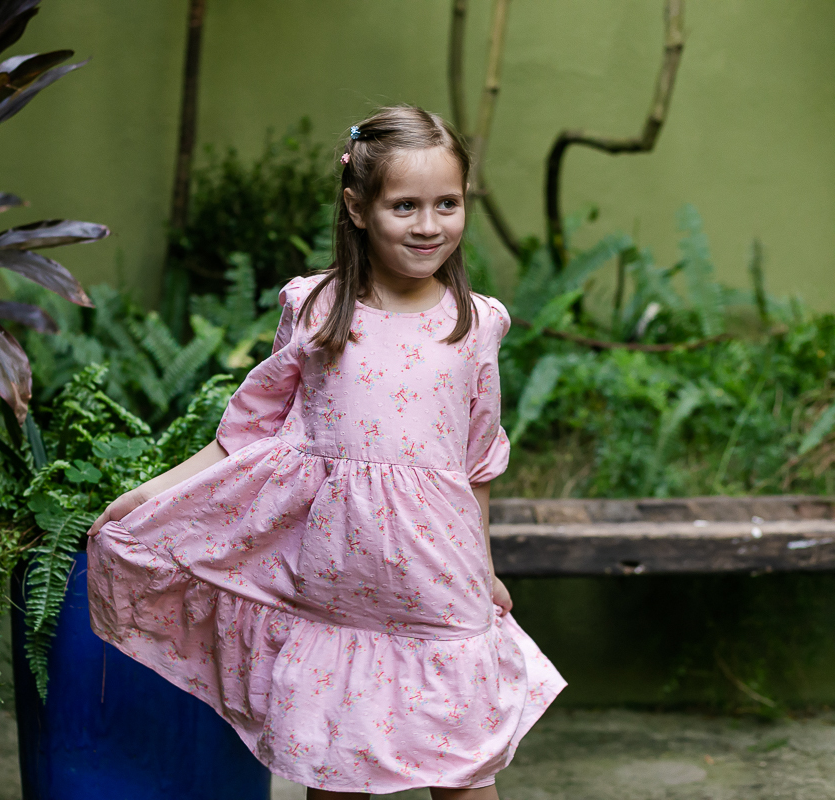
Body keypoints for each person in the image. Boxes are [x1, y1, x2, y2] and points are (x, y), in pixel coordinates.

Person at [87, 105, 565, 799]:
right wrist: (151, 493)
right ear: (358, 206)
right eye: (405, 205)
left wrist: (485, 569)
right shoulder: (315, 308)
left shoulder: (477, 324)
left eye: (448, 204)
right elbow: (244, 431)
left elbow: (477, 460)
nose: (429, 224)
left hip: (439, 580)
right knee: (335, 769)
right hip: (337, 587)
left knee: (463, 769)